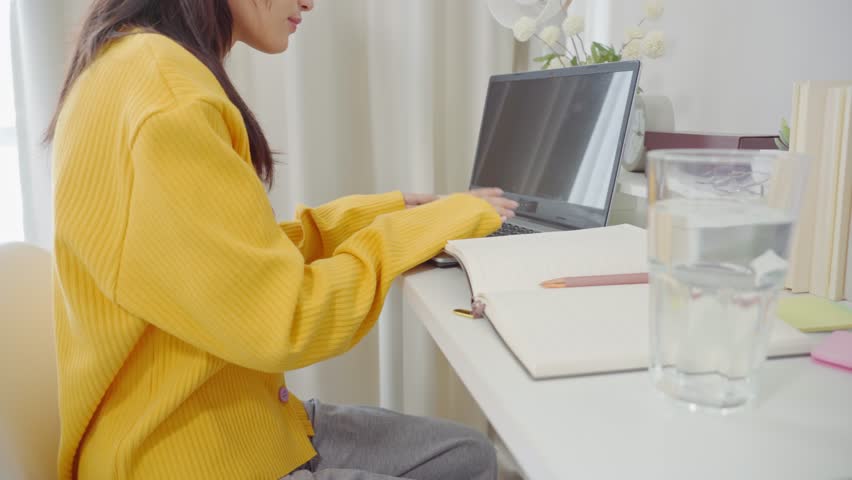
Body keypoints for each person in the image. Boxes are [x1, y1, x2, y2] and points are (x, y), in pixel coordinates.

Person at [47, 0, 519, 479]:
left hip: (236, 418)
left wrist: (391, 214)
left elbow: (226, 264)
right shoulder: (166, 96)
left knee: (470, 455)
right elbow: (286, 320)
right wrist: (414, 232)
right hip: (184, 457)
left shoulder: (141, 66)